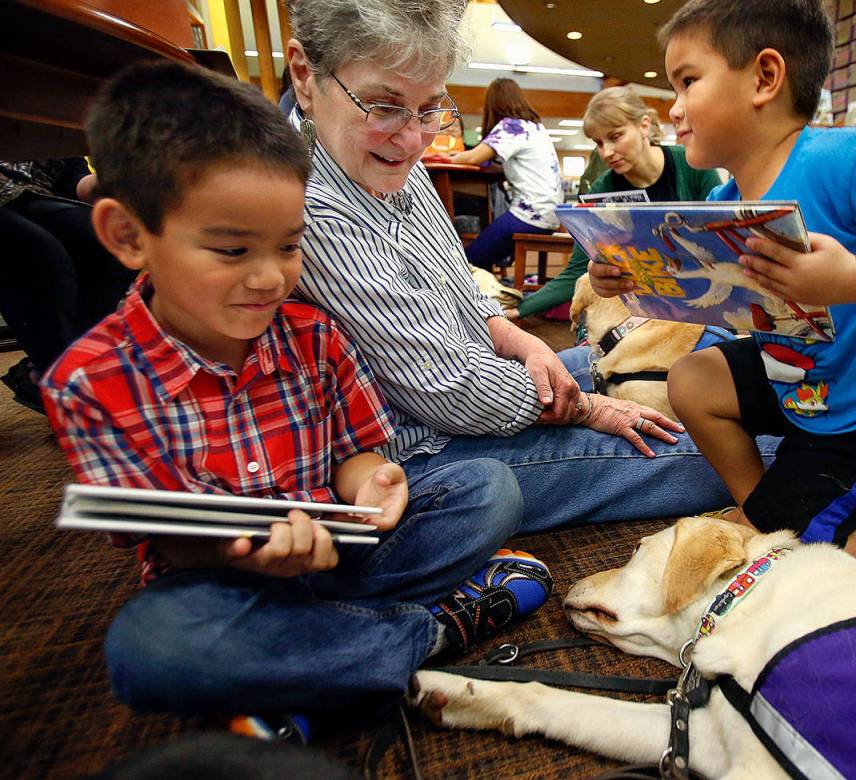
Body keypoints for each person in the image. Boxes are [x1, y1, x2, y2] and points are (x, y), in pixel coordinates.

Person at [40, 60, 553, 719]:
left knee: (486, 490)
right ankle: (431, 632)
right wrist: (251, 553)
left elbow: (358, 457)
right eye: (231, 251)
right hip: (225, 583)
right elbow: (164, 536)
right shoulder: (88, 382)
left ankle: (300, 678)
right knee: (151, 648)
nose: (268, 279)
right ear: (128, 235)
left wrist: (373, 484)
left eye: (288, 246)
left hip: (345, 554)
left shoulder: (314, 333)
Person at [284, 0, 773, 535]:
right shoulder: (303, 203)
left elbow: (464, 294)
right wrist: (589, 408)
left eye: (429, 110)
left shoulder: (391, 162)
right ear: (305, 76)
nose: (412, 138)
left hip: (481, 385)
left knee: (699, 363)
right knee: (743, 453)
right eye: (384, 106)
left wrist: (528, 344)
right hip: (426, 448)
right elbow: (447, 390)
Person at [591, 0, 856, 574]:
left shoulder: (849, 157)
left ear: (764, 78)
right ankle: (764, 507)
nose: (675, 109)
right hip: (796, 380)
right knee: (692, 378)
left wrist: (853, 277)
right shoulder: (719, 203)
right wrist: (624, 276)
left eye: (688, 82)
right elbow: (697, 294)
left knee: (775, 552)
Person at [507, 86, 721, 321]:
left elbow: (720, 245)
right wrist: (520, 309)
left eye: (615, 136)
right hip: (638, 309)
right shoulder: (602, 189)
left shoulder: (693, 167)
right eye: (598, 143)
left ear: (644, 126)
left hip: (702, 303)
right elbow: (578, 269)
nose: (606, 152)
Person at [0, 158, 136, 412]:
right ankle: (70, 390)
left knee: (113, 241)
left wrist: (129, 174)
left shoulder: (55, 122)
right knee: (40, 252)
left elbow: (75, 183)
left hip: (32, 198)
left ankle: (51, 373)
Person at [446, 78, 563, 271]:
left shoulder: (512, 126)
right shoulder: (535, 127)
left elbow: (474, 158)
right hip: (551, 217)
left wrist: (440, 157)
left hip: (529, 216)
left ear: (494, 104)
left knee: (466, 263)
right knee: (480, 256)